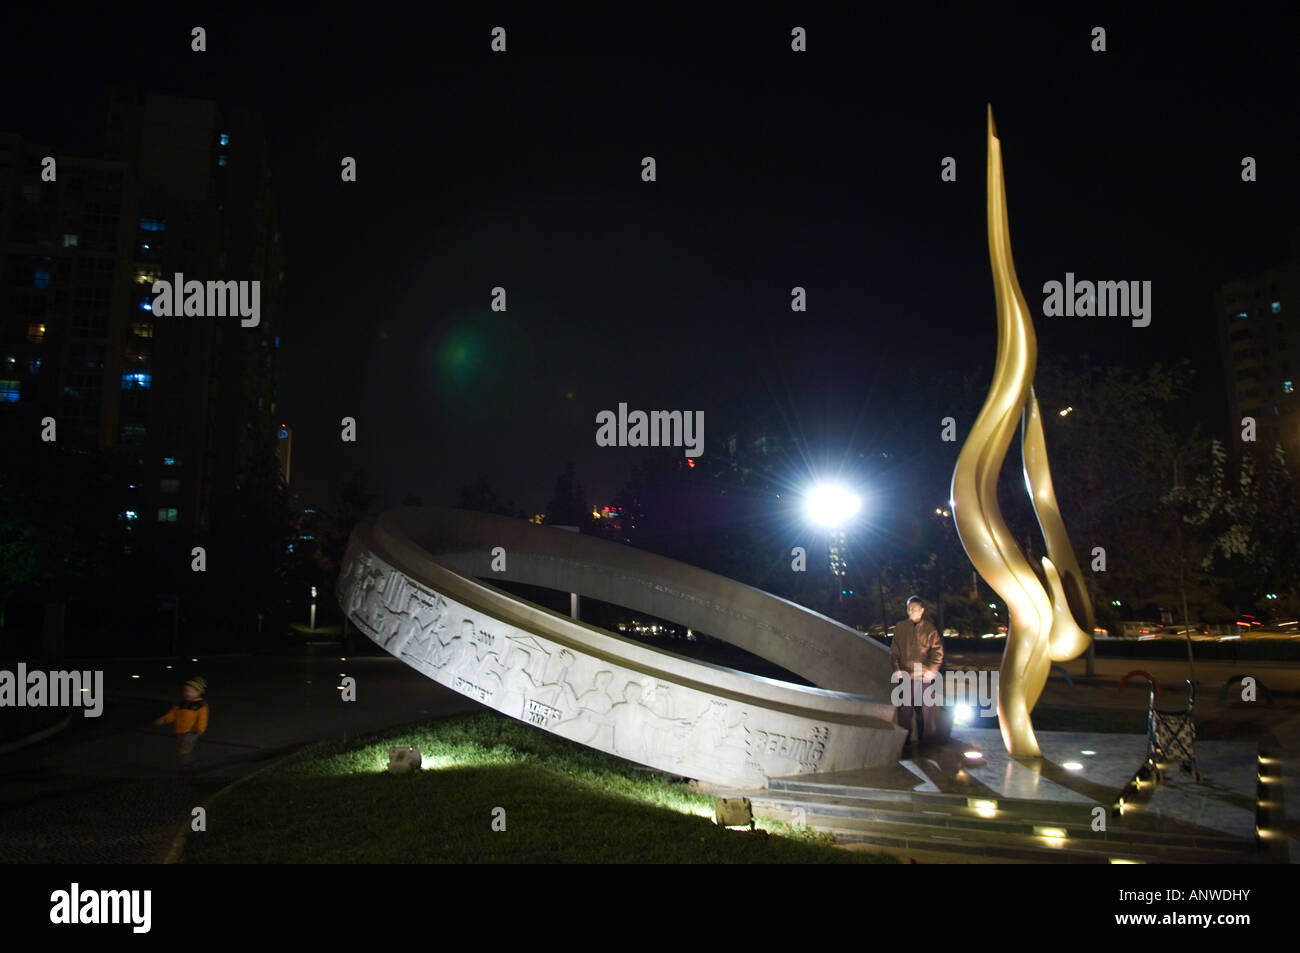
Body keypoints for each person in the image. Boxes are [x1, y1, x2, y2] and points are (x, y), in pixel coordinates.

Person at [890, 596, 943, 753]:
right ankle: (904, 742)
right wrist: (896, 668)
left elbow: (937, 652)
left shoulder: (930, 630)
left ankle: (925, 742)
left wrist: (932, 670)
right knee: (904, 711)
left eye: (914, 608)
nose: (911, 611)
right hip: (905, 676)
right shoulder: (900, 628)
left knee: (925, 712)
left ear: (922, 611)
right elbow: (894, 651)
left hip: (924, 677)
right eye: (909, 608)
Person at [155, 676, 209, 774]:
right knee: (182, 749)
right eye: (185, 691)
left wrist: (199, 730)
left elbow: (202, 719)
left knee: (185, 750)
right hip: (180, 732)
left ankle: (190, 766)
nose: (187, 693)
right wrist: (164, 719)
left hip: (191, 732)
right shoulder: (180, 704)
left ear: (198, 692)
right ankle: (190, 763)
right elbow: (173, 714)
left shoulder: (200, 705)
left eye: (190, 691)